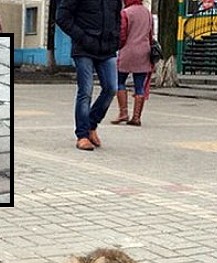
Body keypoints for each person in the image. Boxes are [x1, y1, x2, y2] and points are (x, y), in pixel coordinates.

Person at [57, 0, 121, 151]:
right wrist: (82, 37)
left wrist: (116, 38)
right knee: (86, 90)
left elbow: (117, 17)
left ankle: (91, 125)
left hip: (107, 48)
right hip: (84, 48)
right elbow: (62, 17)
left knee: (111, 88)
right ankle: (82, 135)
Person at [111, 0, 153, 126]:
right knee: (139, 86)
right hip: (144, 52)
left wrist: (118, 47)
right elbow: (151, 34)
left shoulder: (125, 13)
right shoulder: (147, 13)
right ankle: (136, 117)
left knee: (120, 81)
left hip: (127, 51)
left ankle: (123, 113)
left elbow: (122, 35)